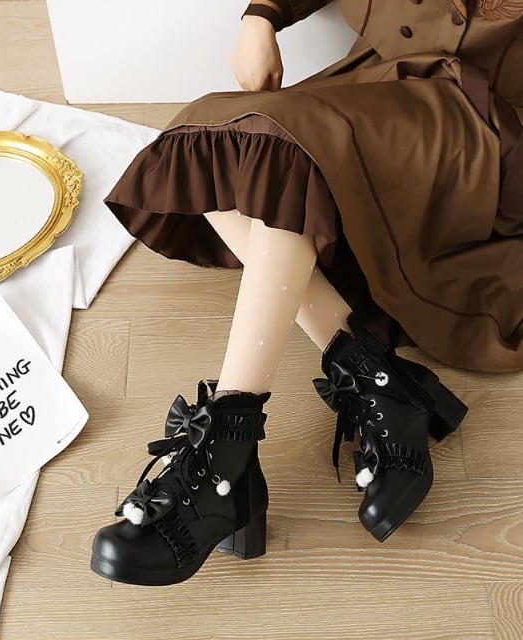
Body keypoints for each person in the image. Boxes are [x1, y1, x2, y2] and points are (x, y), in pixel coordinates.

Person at [90, 0, 523, 586]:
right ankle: (379, 383)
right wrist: (261, 16)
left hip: (488, 131)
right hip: (377, 82)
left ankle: (225, 458)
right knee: (208, 136)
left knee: (285, 160)